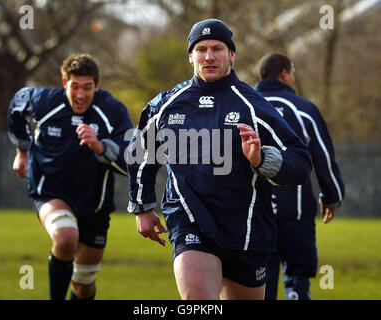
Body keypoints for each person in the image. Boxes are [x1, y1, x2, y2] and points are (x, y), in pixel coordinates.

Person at [126, 19, 312, 300]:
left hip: (246, 230)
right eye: (201, 49)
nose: (209, 56)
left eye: (217, 48)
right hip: (188, 219)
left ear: (232, 55)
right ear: (191, 56)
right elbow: (140, 153)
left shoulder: (254, 106)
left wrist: (261, 159)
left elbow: (300, 163)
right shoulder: (166, 105)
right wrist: (142, 206)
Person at [8, 53, 133, 300]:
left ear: (97, 86)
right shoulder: (44, 101)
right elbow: (16, 104)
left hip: (94, 203)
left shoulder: (113, 111)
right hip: (51, 190)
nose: (80, 95)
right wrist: (22, 150)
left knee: (84, 285)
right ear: (64, 83)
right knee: (66, 238)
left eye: (87, 87)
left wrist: (101, 147)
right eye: (74, 86)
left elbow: (131, 162)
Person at [255, 53, 344, 300]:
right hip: (295, 215)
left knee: (260, 284)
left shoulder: (244, 104)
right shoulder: (304, 109)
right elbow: (323, 157)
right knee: (297, 280)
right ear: (285, 74)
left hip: (254, 216)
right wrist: (332, 196)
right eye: (293, 73)